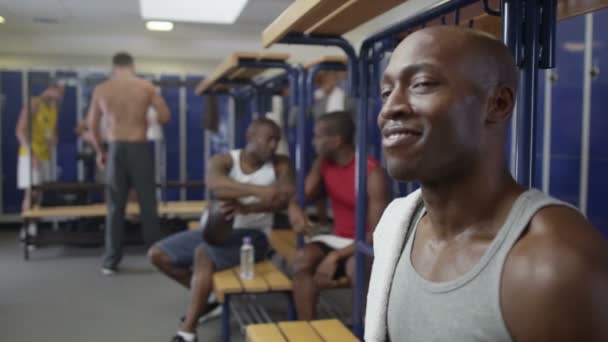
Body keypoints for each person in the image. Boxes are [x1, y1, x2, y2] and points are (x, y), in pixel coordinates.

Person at [365, 26, 608, 342]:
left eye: (421, 84)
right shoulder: (399, 228)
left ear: (498, 104)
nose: (390, 108)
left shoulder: (552, 265)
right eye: (386, 92)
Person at [147, 118, 296, 342]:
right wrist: (260, 190)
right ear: (250, 138)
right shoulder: (225, 160)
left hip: (254, 237)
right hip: (217, 231)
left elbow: (283, 196)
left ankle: (188, 331)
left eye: (277, 139)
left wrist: (247, 207)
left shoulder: (280, 163)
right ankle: (211, 298)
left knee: (202, 254)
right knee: (158, 255)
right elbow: (216, 185)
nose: (274, 145)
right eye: (269, 139)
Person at [287, 111, 389, 320]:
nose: (313, 142)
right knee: (301, 260)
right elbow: (299, 198)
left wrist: (335, 257)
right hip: (336, 239)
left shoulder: (372, 173)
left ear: (335, 141)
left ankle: (365, 333)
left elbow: (377, 235)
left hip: (363, 245)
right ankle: (308, 331)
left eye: (318, 136)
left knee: (355, 268)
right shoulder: (322, 163)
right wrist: (294, 209)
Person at [87, 52, 171, 275]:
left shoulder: (102, 89)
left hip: (115, 148)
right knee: (148, 205)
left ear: (114, 68)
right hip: (139, 147)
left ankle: (110, 261)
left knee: (115, 207)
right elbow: (165, 116)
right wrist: (148, 117)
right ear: (132, 66)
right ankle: (157, 256)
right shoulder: (145, 87)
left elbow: (92, 124)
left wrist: (100, 151)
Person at [15, 82, 64, 237]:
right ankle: (26, 231)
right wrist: (32, 156)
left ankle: (34, 228)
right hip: (30, 155)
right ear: (50, 88)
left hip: (45, 155)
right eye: (60, 92)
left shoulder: (54, 107)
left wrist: (55, 137)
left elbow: (53, 129)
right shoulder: (34, 103)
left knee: (39, 193)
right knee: (31, 193)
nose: (62, 95)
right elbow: (20, 131)